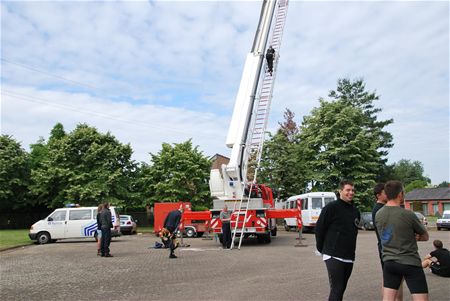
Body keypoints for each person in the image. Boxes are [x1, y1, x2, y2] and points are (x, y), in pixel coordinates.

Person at [375, 180, 429, 301]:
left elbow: (386, 235)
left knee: (388, 298)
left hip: (389, 263)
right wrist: (416, 237)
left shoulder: (378, 214)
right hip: (410, 262)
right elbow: (425, 236)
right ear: (400, 194)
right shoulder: (408, 214)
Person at [315, 180, 360, 301]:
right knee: (337, 288)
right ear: (340, 191)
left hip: (349, 256)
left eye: (353, 190)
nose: (351, 192)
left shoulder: (355, 210)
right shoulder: (331, 208)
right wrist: (322, 249)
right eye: (348, 190)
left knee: (341, 288)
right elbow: (319, 229)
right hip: (333, 255)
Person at [372, 183, 404, 301]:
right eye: (385, 192)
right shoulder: (379, 210)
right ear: (378, 195)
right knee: (392, 278)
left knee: (391, 277)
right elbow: (386, 232)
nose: (388, 194)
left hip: (386, 247)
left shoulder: (381, 208)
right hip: (388, 248)